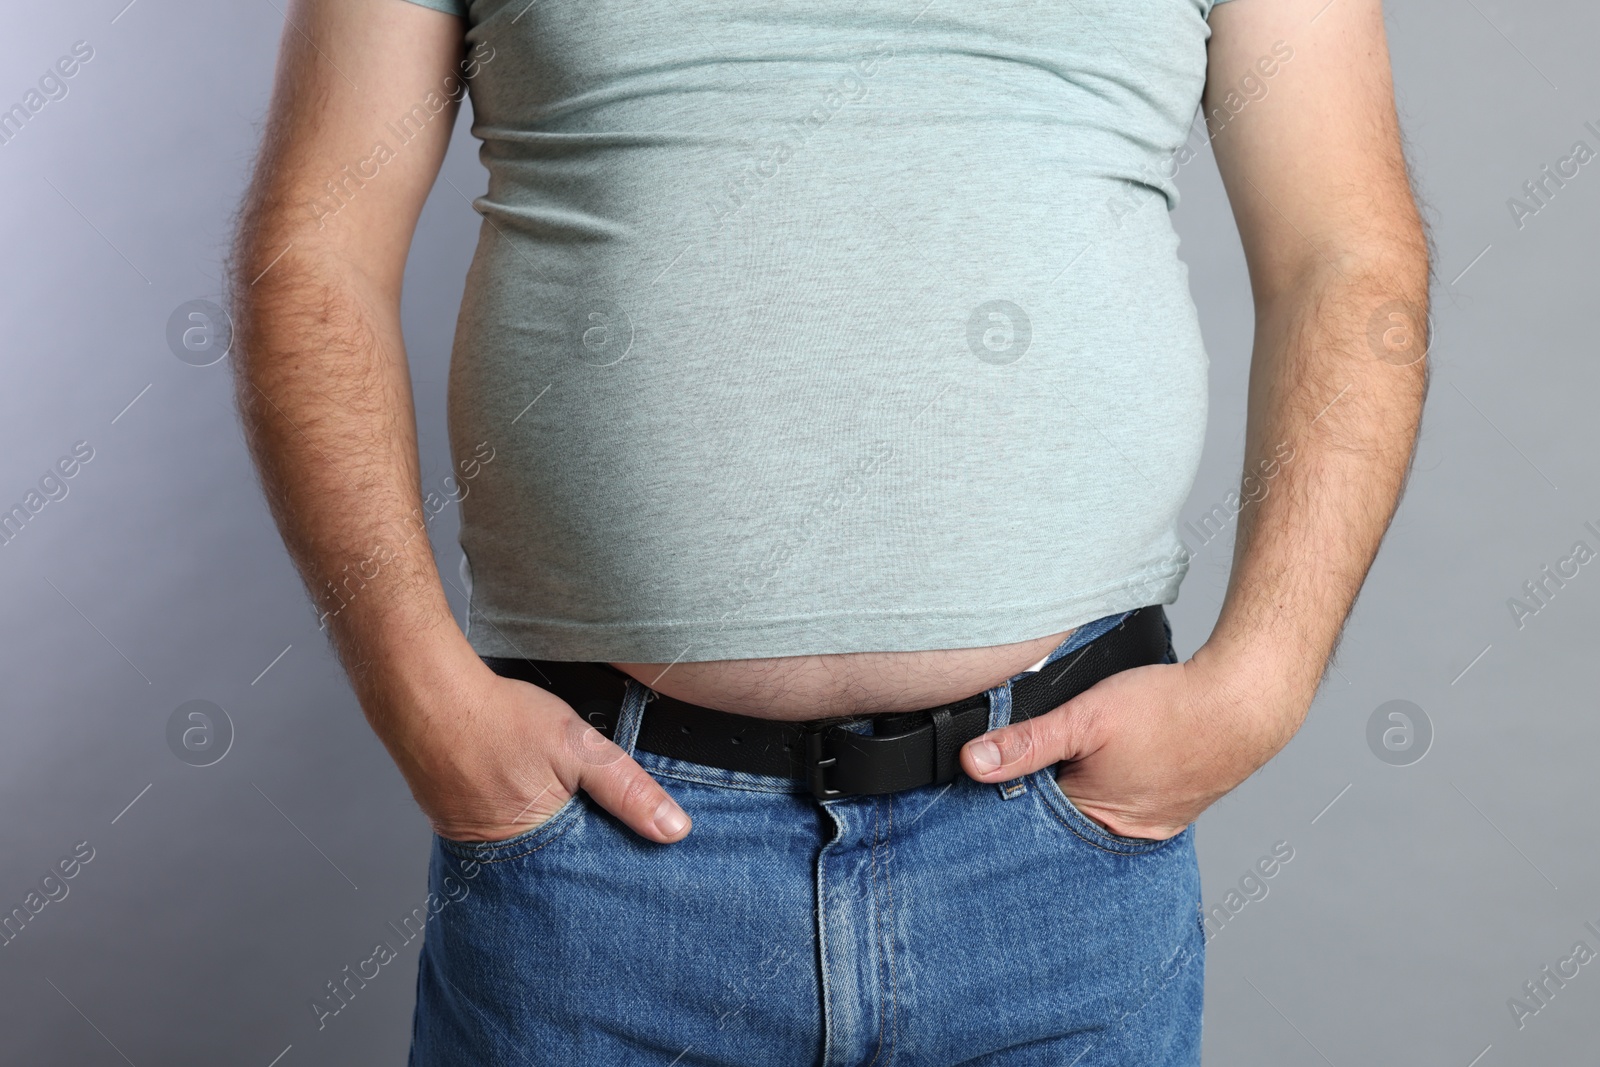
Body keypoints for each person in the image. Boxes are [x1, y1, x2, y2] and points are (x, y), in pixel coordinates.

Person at [228, 0, 1428, 1062]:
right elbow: (313, 254)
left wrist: (1261, 682)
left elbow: (1347, 259)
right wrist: (419, 695)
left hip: (1058, 856)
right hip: (594, 859)